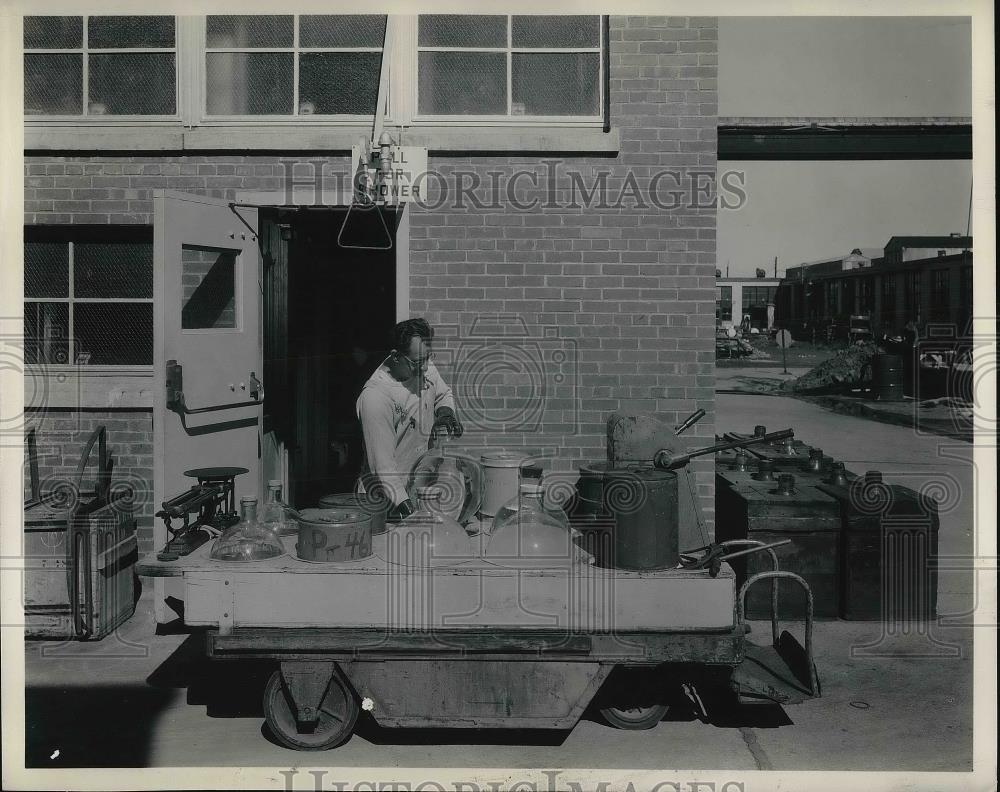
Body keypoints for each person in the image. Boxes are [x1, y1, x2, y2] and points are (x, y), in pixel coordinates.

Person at [356, 318, 463, 520]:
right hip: (385, 503)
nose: (425, 369)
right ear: (395, 357)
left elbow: (443, 394)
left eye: (428, 358)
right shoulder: (376, 396)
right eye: (417, 362)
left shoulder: (423, 364)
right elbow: (383, 469)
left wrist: (445, 413)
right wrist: (412, 515)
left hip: (419, 490)